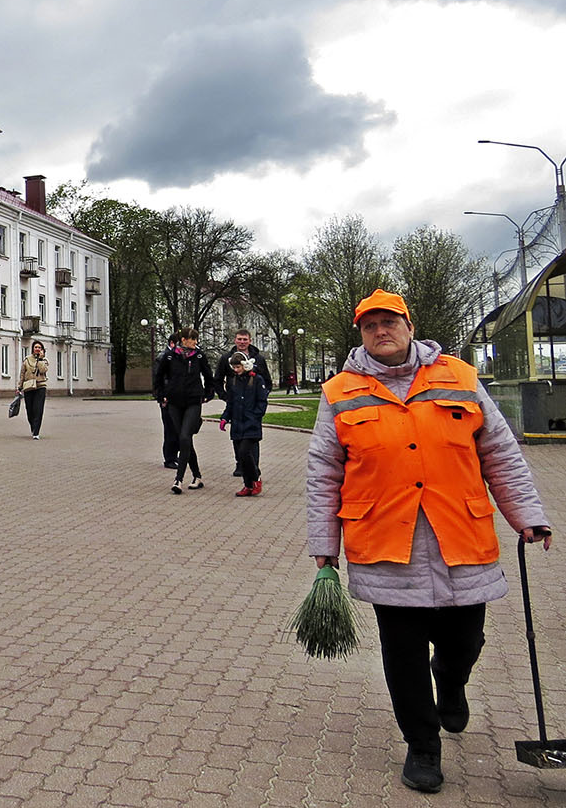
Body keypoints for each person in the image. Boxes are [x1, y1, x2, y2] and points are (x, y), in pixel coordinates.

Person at [306, 289, 552, 794]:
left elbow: (500, 452)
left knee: (465, 640)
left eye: (389, 321)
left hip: (459, 536)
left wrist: (527, 516)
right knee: (402, 654)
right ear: (361, 334)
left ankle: (454, 679)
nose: (381, 331)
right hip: (383, 543)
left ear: (409, 325)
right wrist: (324, 546)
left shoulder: (459, 377)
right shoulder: (340, 391)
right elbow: (323, 474)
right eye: (370, 325)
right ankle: (422, 746)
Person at [153, 326, 213, 494]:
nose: (195, 342)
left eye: (196, 339)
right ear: (184, 340)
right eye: (192, 339)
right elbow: (159, 377)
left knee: (185, 436)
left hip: (193, 401)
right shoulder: (170, 356)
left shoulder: (199, 356)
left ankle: (178, 479)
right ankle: (197, 476)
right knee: (183, 440)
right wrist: (161, 395)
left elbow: (209, 376)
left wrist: (208, 393)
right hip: (174, 401)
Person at [220, 352, 267, 496]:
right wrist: (225, 418)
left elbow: (262, 402)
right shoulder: (233, 382)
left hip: (251, 424)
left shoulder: (257, 380)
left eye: (238, 367)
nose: (236, 370)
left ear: (245, 365)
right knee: (241, 457)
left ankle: (256, 479)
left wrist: (255, 416)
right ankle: (248, 485)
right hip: (237, 425)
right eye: (234, 367)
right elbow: (231, 403)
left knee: (245, 452)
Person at [214, 329, 270, 399]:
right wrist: (224, 396)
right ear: (235, 340)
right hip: (234, 399)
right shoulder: (226, 358)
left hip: (254, 400)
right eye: (239, 339)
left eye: (245, 339)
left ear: (250, 341)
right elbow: (218, 379)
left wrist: (263, 395)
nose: (242, 342)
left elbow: (266, 379)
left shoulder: (259, 359)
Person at [154, 335, 180, 468]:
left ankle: (176, 455)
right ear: (172, 343)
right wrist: (163, 395)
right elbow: (159, 378)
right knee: (170, 428)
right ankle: (169, 458)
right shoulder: (163, 356)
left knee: (178, 428)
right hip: (167, 398)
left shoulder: (180, 356)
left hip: (178, 397)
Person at [17, 340, 49, 439]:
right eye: (36, 347)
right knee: (29, 410)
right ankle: (33, 427)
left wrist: (40, 359)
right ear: (33, 349)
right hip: (28, 386)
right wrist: (19, 387)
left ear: (42, 350)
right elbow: (22, 374)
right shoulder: (27, 360)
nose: (37, 349)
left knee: (38, 409)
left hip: (40, 387)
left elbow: (43, 370)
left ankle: (36, 432)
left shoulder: (44, 361)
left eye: (39, 347)